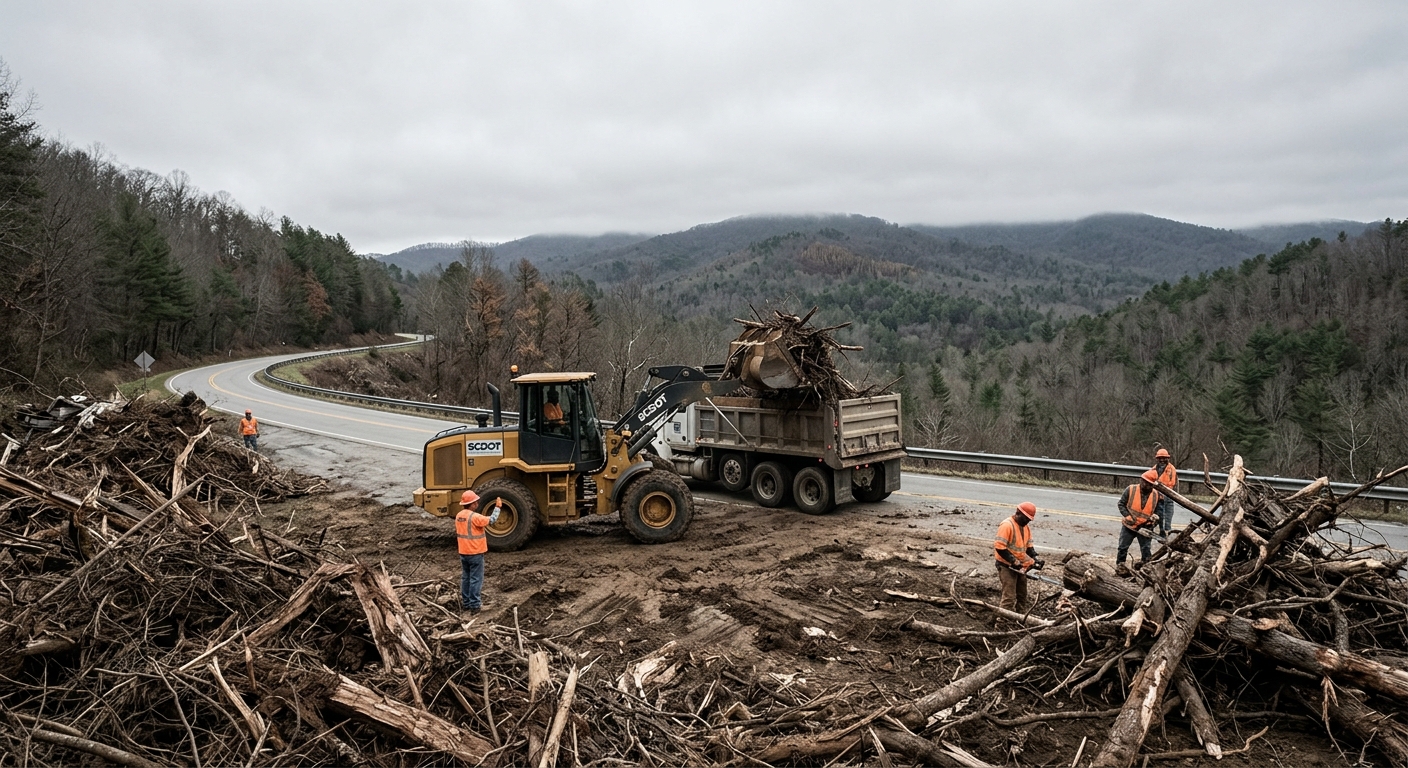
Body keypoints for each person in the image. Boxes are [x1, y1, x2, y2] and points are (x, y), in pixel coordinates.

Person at [455, 490, 502, 615]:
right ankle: (475, 606)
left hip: (463, 552)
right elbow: (492, 520)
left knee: (466, 578)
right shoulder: (475, 517)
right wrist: (497, 507)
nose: (478, 503)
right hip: (475, 553)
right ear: (473, 503)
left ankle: (466, 603)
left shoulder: (459, 515)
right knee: (476, 579)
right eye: (476, 501)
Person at [994, 502, 1043, 613]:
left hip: (1019, 566)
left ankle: (1019, 618)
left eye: (1029, 520)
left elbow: (1029, 547)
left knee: (1022, 595)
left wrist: (1035, 558)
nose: (1027, 522)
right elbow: (1000, 547)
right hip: (1006, 566)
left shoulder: (1026, 528)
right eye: (1026, 519)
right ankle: (1002, 623)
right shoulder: (1007, 525)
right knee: (1009, 598)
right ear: (1018, 513)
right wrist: (1013, 561)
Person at [1116, 470, 1162, 575]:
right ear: (1141, 480)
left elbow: (1159, 511)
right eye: (1144, 481)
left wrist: (1156, 518)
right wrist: (1127, 516)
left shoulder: (1156, 495)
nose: (1145, 484)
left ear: (1152, 485)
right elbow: (1121, 504)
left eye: (1149, 483)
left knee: (1146, 550)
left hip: (1146, 527)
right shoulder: (1130, 489)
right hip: (1130, 525)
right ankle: (1120, 567)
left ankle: (1146, 570)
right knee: (1122, 547)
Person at [1151, 448, 1177, 537]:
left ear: (1167, 458)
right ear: (1157, 459)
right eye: (1160, 458)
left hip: (1168, 495)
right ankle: (1157, 532)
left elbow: (1172, 483)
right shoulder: (1154, 469)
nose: (1162, 460)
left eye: (1164, 458)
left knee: (1167, 516)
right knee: (1156, 516)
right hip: (1156, 496)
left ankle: (1166, 533)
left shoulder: (1171, 469)